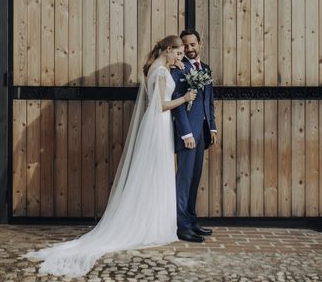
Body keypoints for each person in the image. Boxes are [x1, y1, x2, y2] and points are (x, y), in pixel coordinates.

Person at [24, 35, 196, 278]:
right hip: (158, 123)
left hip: (157, 125)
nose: (180, 58)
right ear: (168, 50)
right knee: (154, 172)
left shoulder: (157, 68)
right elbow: (160, 105)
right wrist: (185, 99)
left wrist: (175, 67)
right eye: (178, 54)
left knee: (153, 173)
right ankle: (150, 224)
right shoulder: (158, 72)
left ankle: (153, 219)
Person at [171, 29, 217, 243]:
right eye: (185, 45)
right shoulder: (178, 70)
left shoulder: (205, 68)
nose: (189, 49)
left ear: (200, 44)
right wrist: (186, 133)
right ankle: (181, 226)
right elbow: (178, 105)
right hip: (188, 134)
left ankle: (191, 220)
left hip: (203, 133)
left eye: (192, 44)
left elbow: (209, 101)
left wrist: (213, 128)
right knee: (184, 180)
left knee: (194, 179)